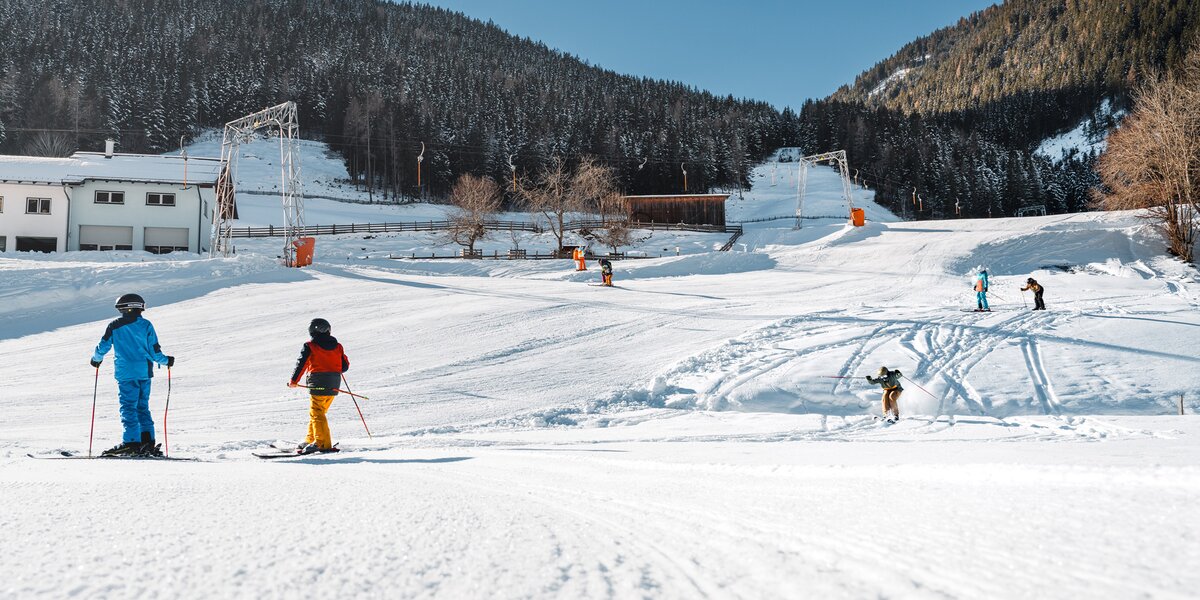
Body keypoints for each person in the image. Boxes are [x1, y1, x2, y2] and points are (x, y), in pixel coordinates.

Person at [90, 293, 174, 456]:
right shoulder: (147, 325)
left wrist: (96, 359)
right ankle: (147, 442)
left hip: (126, 373)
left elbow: (103, 345)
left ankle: (131, 443)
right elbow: (155, 350)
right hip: (144, 372)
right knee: (143, 407)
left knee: (129, 407)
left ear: (122, 308)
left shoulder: (115, 325)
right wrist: (166, 361)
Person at [288, 318, 350, 454]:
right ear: (328, 330)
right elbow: (345, 367)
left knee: (317, 413)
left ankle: (322, 443)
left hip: (318, 384)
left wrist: (294, 381)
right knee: (318, 413)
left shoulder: (310, 346)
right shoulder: (337, 346)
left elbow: (301, 364)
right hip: (334, 385)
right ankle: (311, 439)